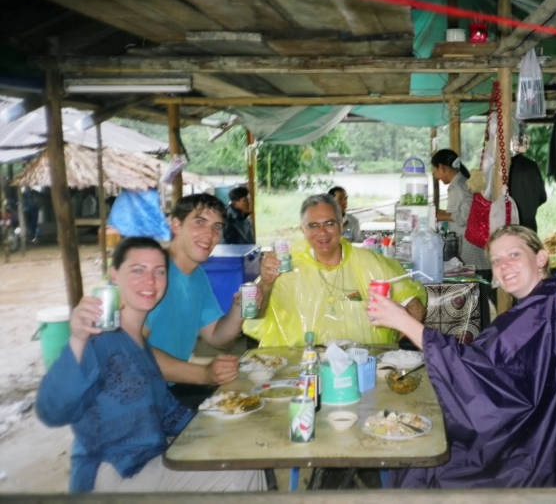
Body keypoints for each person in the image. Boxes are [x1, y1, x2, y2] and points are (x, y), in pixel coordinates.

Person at [365, 225, 556, 488]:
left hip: (546, 459)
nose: (505, 266)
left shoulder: (550, 307)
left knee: (417, 463)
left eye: (514, 255)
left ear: (541, 258)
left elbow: (477, 372)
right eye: (497, 260)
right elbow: (505, 369)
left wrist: (403, 321)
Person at [36, 237, 266, 493]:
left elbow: (168, 413)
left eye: (159, 272)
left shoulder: (141, 346)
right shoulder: (98, 339)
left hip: (151, 459)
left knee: (241, 451)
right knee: (240, 469)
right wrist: (78, 339)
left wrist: (225, 424)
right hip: (114, 472)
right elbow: (52, 410)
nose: (150, 281)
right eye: (138, 270)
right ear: (114, 275)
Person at [244, 194, 426, 347]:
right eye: (313, 226)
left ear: (341, 225)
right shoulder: (286, 265)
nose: (322, 233)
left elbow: (413, 303)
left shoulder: (371, 263)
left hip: (364, 364)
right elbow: (256, 315)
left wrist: (401, 351)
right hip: (304, 366)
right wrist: (266, 284)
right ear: (303, 230)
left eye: (329, 223)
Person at [145, 194, 263, 400]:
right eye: (200, 222)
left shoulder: (197, 276)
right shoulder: (152, 272)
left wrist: (238, 309)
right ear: (176, 226)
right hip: (137, 393)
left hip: (172, 388)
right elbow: (131, 351)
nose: (209, 234)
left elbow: (217, 337)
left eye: (217, 227)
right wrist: (204, 374)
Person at [431, 149, 493, 326]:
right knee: (478, 302)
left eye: (435, 171)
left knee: (478, 304)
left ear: (442, 167)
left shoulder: (459, 186)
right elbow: (458, 211)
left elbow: (466, 215)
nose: (435, 176)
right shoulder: (459, 183)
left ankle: (483, 339)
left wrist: (441, 216)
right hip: (472, 253)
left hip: (472, 254)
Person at [508, 149, 548, 233]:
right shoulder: (532, 166)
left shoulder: (504, 168)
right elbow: (542, 196)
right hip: (530, 226)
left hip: (509, 225)